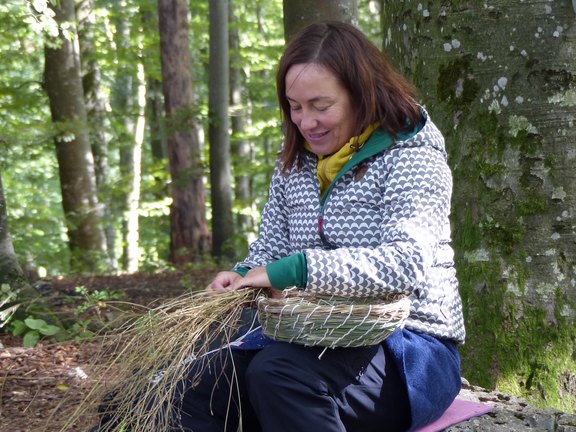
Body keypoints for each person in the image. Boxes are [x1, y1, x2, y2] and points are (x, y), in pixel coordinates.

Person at [94, 20, 465, 432]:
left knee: (277, 376)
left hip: (407, 349)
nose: (307, 122)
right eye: (295, 106)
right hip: (306, 332)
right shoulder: (296, 161)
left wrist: (296, 270)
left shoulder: (411, 155)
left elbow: (405, 262)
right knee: (164, 392)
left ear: (364, 94)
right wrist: (239, 275)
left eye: (321, 106)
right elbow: (270, 248)